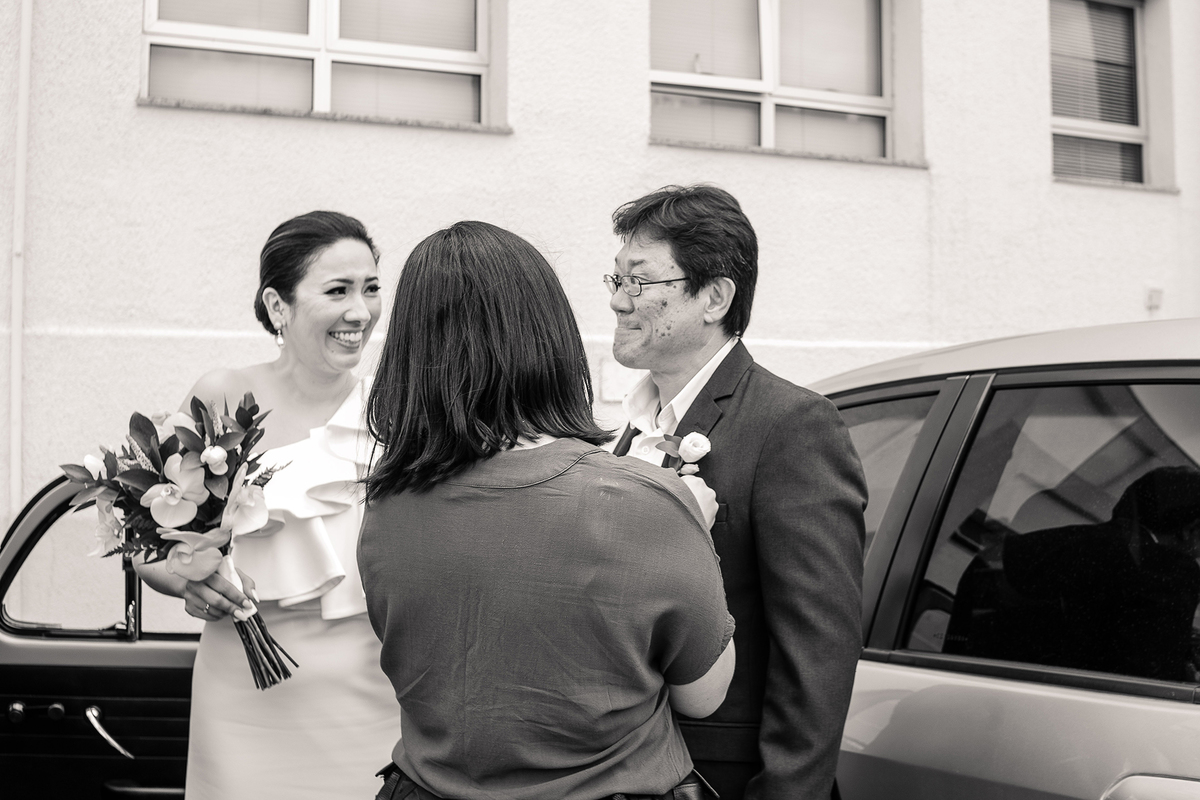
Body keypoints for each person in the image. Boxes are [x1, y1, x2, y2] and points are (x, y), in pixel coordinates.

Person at [358, 220, 735, 800]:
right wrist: (695, 528)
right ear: (549, 335)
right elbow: (703, 696)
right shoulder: (650, 503)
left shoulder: (386, 506)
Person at [606, 185, 868, 800]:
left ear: (715, 297)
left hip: (719, 776)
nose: (618, 300)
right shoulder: (633, 428)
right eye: (615, 279)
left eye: (639, 281)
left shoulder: (792, 425)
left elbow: (818, 651)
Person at [135, 211, 401, 800]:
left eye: (370, 288)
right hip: (243, 705)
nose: (361, 312)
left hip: (373, 705)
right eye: (338, 291)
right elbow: (148, 545)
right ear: (278, 306)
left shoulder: (397, 412)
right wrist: (190, 582)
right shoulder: (222, 394)